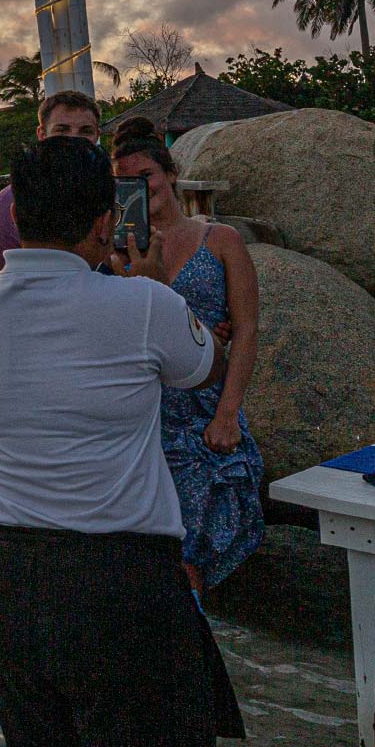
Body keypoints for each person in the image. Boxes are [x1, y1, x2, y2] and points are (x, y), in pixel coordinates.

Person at [0, 137, 241, 747]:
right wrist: (150, 285)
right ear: (100, 219)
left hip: (12, 586)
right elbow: (203, 364)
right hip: (120, 589)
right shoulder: (139, 305)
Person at [111, 115, 265, 593]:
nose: (139, 188)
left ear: (170, 174)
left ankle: (190, 644)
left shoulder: (220, 241)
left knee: (190, 554)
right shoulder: (115, 253)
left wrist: (227, 414)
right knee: (145, 555)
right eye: (125, 182)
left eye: (146, 176)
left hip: (200, 411)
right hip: (141, 413)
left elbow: (247, 330)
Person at [0, 90, 103, 281]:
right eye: (61, 130)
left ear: (97, 135)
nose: (73, 140)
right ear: (42, 134)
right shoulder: (8, 201)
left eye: (85, 131)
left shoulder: (114, 194)